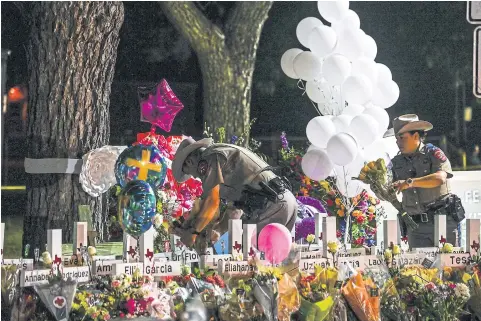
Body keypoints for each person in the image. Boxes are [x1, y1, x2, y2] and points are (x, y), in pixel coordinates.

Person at [171, 137, 298, 249]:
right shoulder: (222, 155)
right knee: (271, 264)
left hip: (270, 205)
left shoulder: (209, 160)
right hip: (283, 201)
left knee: (248, 259)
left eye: (190, 173)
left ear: (190, 162)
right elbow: (235, 209)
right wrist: (218, 230)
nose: (196, 176)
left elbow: (212, 201)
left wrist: (193, 232)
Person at [387, 114, 461, 248]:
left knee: (450, 266)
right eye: (396, 138)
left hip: (442, 221)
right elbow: (386, 189)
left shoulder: (433, 153)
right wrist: (378, 185)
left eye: (402, 138)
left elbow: (440, 178)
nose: (398, 142)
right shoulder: (395, 162)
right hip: (416, 227)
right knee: (419, 268)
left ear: (416, 136)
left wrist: (409, 182)